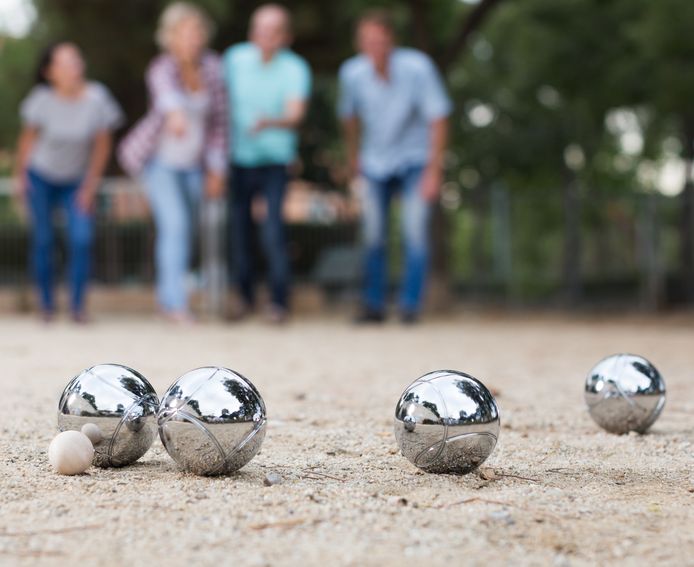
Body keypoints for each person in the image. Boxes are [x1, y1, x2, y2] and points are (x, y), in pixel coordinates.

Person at [338, 10, 452, 324]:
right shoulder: (352, 73)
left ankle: (409, 306)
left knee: (414, 232)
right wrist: (353, 157)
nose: (374, 47)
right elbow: (349, 117)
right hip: (374, 161)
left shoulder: (418, 68)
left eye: (379, 40)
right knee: (373, 235)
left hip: (415, 160)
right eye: (367, 41)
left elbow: (438, 118)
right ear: (359, 44)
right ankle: (373, 305)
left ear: (391, 40)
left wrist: (434, 169)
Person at [118, 2, 227, 324]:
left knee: (188, 230)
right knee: (175, 226)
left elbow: (220, 123)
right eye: (186, 31)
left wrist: (217, 169)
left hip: (194, 164)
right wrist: (176, 114)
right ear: (172, 36)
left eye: (197, 30)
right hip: (159, 162)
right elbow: (167, 98)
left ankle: (169, 297)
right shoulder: (161, 67)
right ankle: (175, 304)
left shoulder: (213, 68)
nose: (194, 37)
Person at [13, 42, 123, 323]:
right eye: (65, 62)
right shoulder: (41, 99)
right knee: (44, 239)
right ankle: (46, 306)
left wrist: (90, 186)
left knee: (81, 239)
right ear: (50, 72)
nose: (74, 67)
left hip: (76, 179)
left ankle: (77, 307)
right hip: (41, 176)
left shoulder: (98, 98)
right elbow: (26, 141)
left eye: (76, 59)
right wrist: (20, 179)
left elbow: (102, 145)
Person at [223, 4, 311, 324]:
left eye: (273, 31)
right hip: (237, 158)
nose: (265, 37)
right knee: (239, 230)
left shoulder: (295, 68)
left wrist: (270, 122)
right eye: (259, 29)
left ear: (286, 36)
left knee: (273, 229)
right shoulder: (234, 59)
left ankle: (279, 301)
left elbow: (296, 113)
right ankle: (243, 298)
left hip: (276, 158)